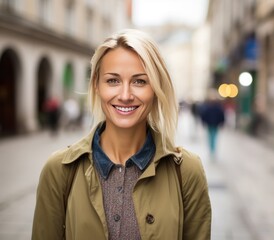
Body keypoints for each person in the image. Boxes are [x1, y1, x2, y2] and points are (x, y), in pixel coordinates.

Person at [32, 29, 211, 240]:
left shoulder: (187, 171)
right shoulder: (59, 170)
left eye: (140, 81)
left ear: (156, 88)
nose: (125, 95)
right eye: (113, 81)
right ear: (97, 85)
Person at [200, 90, 225, 159]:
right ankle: (212, 149)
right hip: (211, 124)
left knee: (212, 137)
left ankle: (212, 149)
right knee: (212, 137)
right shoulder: (213, 107)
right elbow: (204, 115)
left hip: (214, 124)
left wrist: (222, 122)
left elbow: (221, 115)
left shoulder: (214, 107)